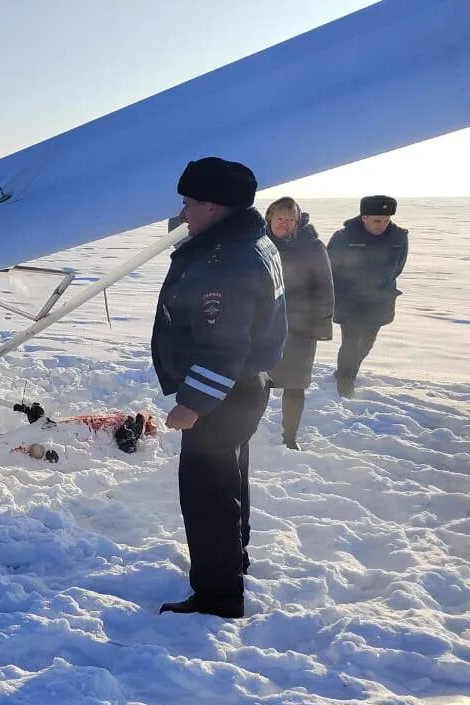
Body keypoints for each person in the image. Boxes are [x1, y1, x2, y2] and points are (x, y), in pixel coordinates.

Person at [151, 157, 287, 619]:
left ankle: (217, 596)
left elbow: (223, 344)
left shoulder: (225, 262)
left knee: (206, 494)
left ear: (213, 206)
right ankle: (232, 561)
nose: (183, 211)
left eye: (189, 202)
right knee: (229, 481)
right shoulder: (247, 239)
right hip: (243, 388)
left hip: (223, 394)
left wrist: (193, 403)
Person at [264, 197, 334, 449]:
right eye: (279, 218)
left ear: (297, 222)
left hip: (300, 327)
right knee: (259, 380)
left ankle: (290, 437)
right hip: (263, 326)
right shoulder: (257, 243)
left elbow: (325, 288)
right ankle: (248, 428)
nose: (284, 224)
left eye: (290, 219)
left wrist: (321, 326)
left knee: (295, 385)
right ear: (269, 217)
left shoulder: (313, 247)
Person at [326, 195, 407, 398]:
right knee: (351, 341)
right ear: (364, 217)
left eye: (387, 220)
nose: (382, 225)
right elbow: (330, 268)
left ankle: (348, 371)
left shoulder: (399, 237)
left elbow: (398, 267)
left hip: (380, 298)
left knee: (368, 342)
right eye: (377, 220)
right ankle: (345, 380)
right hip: (350, 299)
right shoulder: (344, 237)